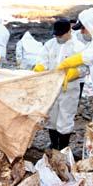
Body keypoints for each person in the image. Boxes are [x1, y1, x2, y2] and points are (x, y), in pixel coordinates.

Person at [32, 18, 86, 150]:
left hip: (69, 89)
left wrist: (75, 73)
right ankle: (53, 145)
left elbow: (85, 67)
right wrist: (39, 67)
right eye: (56, 34)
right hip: (51, 88)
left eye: (60, 35)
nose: (58, 37)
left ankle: (63, 148)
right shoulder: (50, 44)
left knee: (65, 118)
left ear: (69, 31)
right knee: (51, 118)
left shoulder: (78, 47)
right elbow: (42, 59)